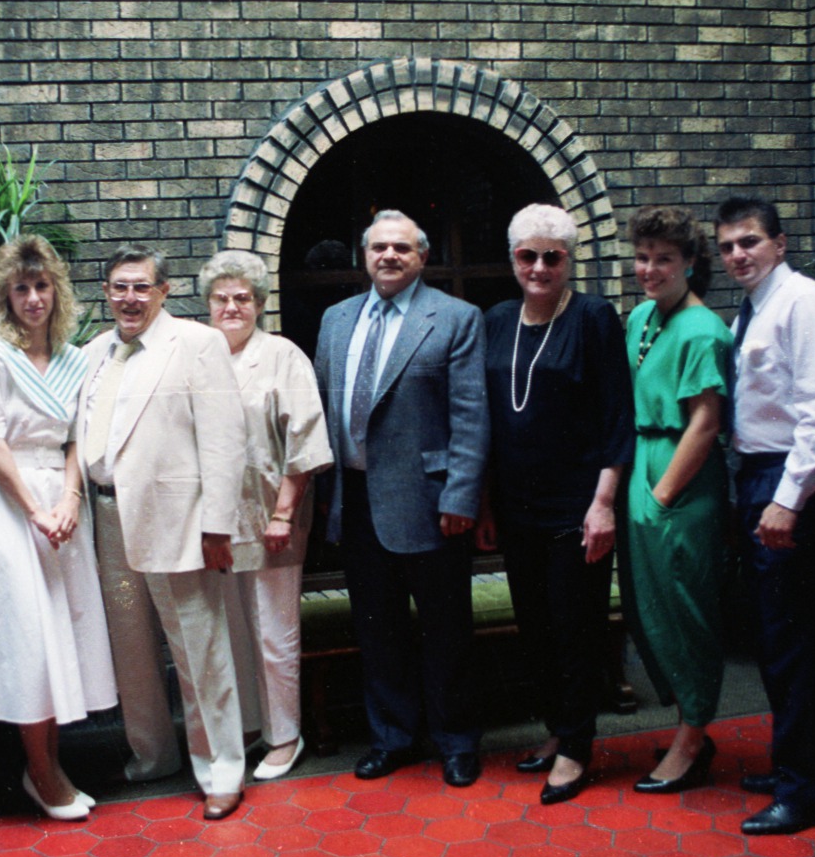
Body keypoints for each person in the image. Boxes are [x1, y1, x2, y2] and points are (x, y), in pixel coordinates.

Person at [314, 210, 489, 788]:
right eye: (379, 248)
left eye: (402, 249)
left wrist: (462, 495)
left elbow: (470, 416)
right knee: (377, 628)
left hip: (432, 502)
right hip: (358, 498)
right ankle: (394, 738)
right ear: (363, 255)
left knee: (447, 630)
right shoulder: (336, 320)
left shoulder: (455, 318)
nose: (389, 256)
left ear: (422, 257)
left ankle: (457, 741)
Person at [79, 245, 248, 820]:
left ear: (163, 291)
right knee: (131, 647)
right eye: (119, 287)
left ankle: (221, 769)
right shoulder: (94, 353)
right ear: (106, 292)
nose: (129, 298)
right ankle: (154, 755)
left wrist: (217, 525)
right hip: (107, 521)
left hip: (179, 524)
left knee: (198, 649)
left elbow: (225, 440)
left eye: (141, 287)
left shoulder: (196, 344)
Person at [476, 204, 633, 805]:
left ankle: (576, 746)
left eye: (552, 256)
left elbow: (618, 416)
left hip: (576, 505)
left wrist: (603, 504)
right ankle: (556, 730)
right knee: (535, 626)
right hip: (517, 506)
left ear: (569, 261)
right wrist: (487, 503)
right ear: (513, 259)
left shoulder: (593, 317)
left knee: (575, 628)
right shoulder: (496, 320)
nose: (539, 267)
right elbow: (488, 422)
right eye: (527, 256)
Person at [0, 236, 118, 821]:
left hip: (63, 504)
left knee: (62, 635)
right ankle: (42, 771)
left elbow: (78, 437)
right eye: (21, 288)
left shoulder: (76, 358)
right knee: (29, 641)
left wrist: (71, 499)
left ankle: (49, 762)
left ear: (58, 290)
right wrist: (36, 510)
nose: (33, 298)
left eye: (42, 286)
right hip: (10, 504)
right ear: (5, 294)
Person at [714, 196, 815, 835]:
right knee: (775, 637)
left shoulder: (805, 304)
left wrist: (788, 500)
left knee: (791, 640)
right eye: (728, 247)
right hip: (762, 476)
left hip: (793, 481)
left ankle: (805, 792)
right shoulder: (755, 311)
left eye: (750, 242)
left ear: (780, 243)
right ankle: (801, 766)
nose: (738, 255)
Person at [199, 250, 333, 781]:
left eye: (243, 298)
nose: (232, 306)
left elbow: (304, 440)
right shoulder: (201, 356)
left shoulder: (282, 355)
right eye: (221, 298)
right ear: (208, 304)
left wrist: (282, 515)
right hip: (217, 522)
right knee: (232, 632)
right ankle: (250, 729)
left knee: (275, 635)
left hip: (273, 519)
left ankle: (285, 736)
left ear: (259, 303)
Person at [623, 205, 732, 794]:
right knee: (653, 608)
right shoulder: (642, 316)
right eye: (643, 257)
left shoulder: (702, 329)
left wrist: (662, 495)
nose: (650, 269)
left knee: (687, 611)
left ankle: (694, 735)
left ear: (690, 262)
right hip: (642, 465)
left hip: (679, 482)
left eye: (664, 259)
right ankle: (686, 724)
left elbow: (706, 423)